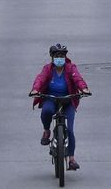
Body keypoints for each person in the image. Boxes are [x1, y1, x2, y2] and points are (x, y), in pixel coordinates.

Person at [30, 44, 91, 172]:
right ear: (52, 57)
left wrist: (84, 89)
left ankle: (72, 159)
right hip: (51, 99)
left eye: (62, 56)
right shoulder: (48, 69)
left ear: (65, 57)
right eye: (57, 56)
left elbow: (77, 78)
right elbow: (40, 79)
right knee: (46, 111)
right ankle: (47, 131)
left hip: (68, 100)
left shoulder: (70, 68)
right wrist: (35, 89)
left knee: (70, 130)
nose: (60, 58)